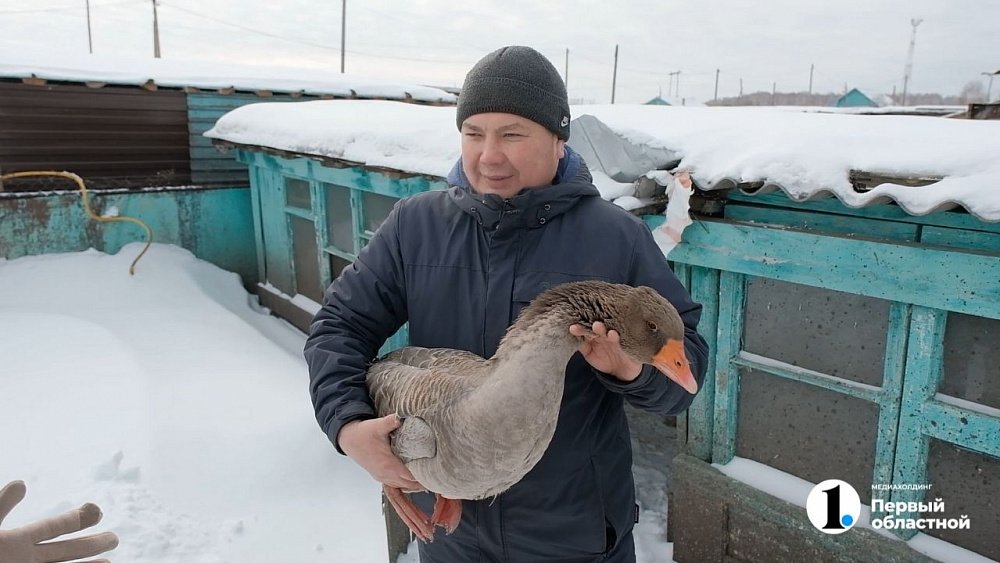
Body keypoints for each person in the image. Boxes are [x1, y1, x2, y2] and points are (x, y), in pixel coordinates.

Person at [305, 45, 709, 562]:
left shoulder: (618, 239)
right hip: (453, 531)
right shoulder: (415, 226)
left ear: (559, 141)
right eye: (474, 133)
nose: (488, 155)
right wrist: (347, 424)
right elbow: (338, 328)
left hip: (575, 536)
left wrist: (630, 372)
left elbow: (684, 375)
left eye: (512, 134)